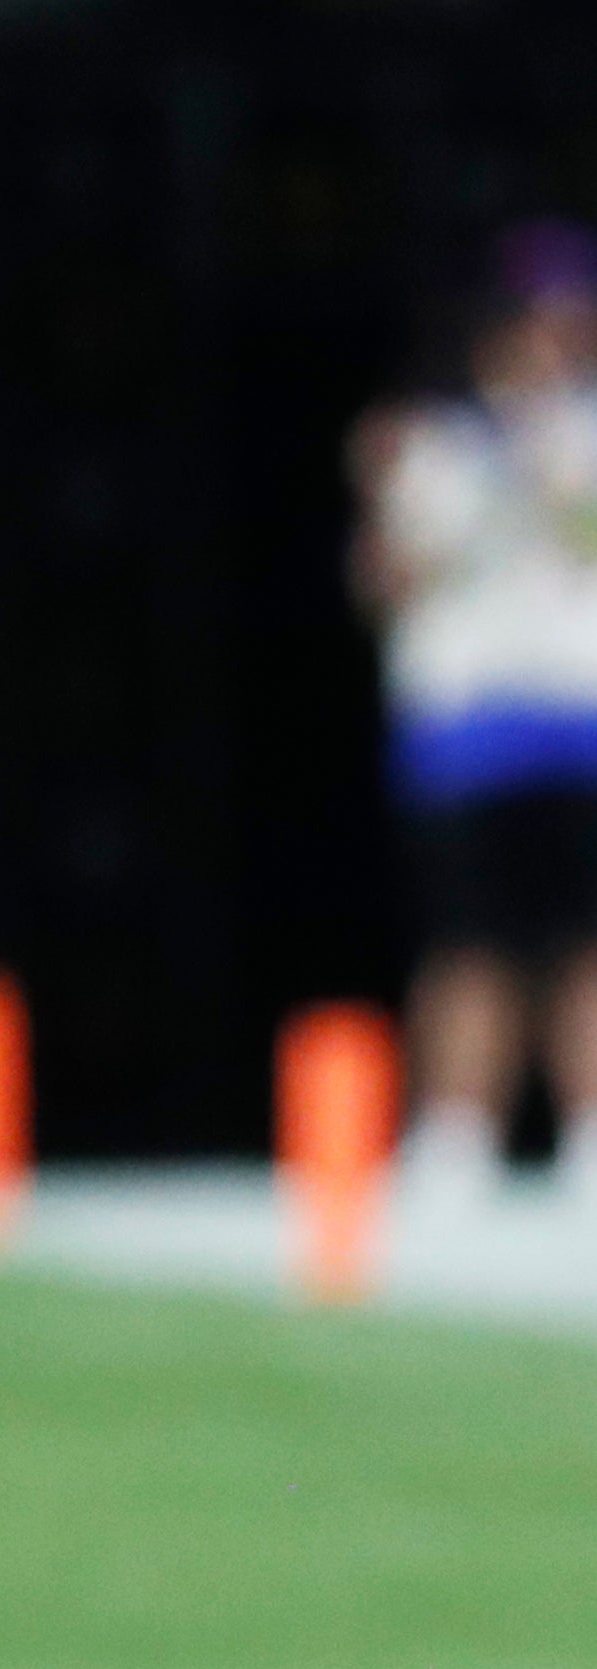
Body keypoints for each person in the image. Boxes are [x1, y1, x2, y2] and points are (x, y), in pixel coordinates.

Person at [354, 221, 597, 1210]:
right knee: (470, 943)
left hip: (577, 724)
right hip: (464, 736)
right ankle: (458, 1131)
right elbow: (385, 582)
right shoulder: (434, 441)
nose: (557, 340)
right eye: (542, 321)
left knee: (584, 943)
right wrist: (385, 496)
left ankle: (589, 1130)